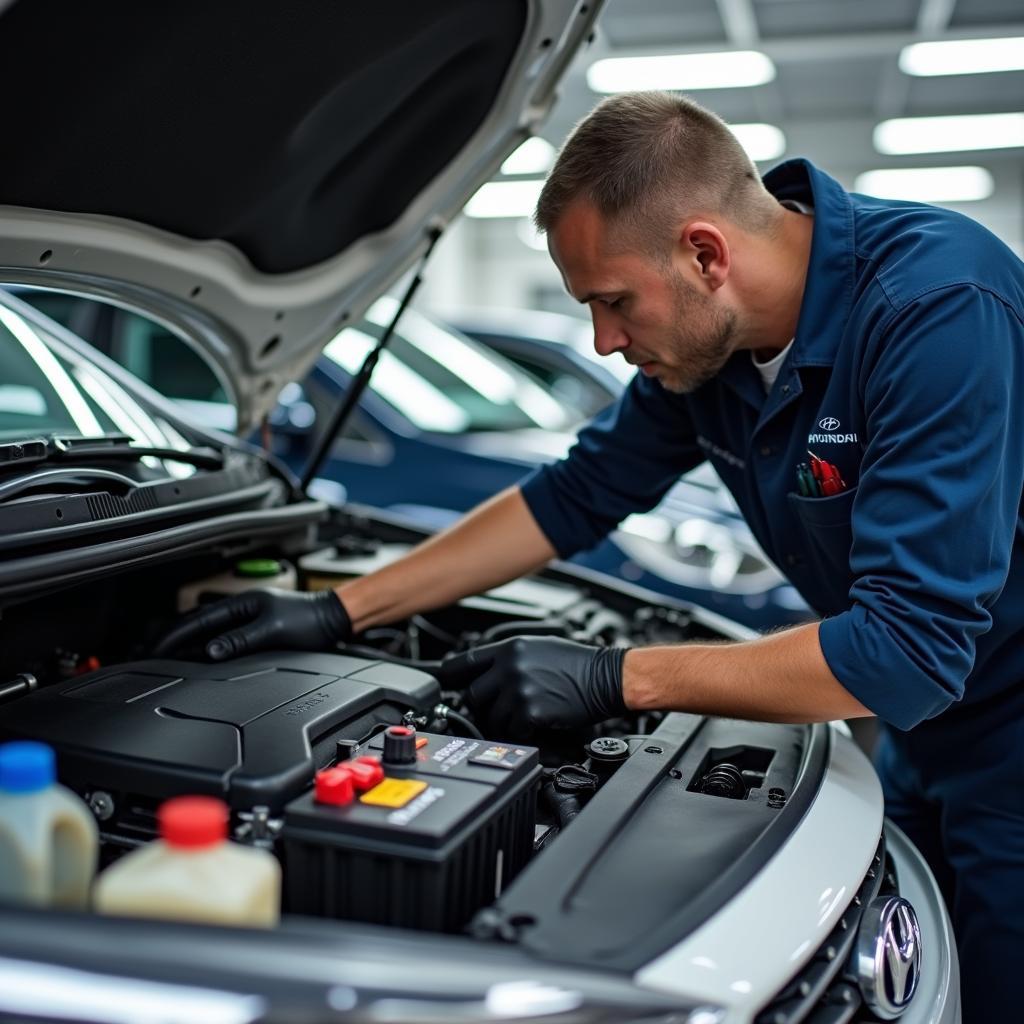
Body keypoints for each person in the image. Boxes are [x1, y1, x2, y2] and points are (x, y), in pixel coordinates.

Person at [162, 92, 1024, 1020]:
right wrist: (344, 610)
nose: (607, 342)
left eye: (613, 303)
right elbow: (574, 496)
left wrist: (618, 679)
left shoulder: (936, 311)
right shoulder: (709, 344)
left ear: (705, 253)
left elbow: (906, 653)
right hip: (924, 736)